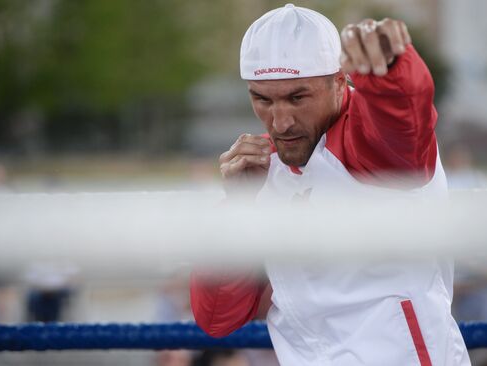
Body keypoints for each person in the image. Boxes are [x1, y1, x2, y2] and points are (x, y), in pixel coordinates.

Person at [191, 4, 470, 366]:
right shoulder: (264, 169)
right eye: (262, 99)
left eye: (298, 97)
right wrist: (238, 208)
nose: (281, 121)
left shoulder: (373, 142)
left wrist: (387, 68)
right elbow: (217, 318)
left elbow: (401, 118)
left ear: (340, 81)